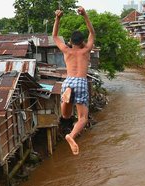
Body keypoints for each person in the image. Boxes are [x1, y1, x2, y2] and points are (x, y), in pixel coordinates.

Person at [53, 6, 95, 155]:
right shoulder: (86, 50)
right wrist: (85, 14)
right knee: (83, 118)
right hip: (81, 81)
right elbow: (92, 32)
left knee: (65, 116)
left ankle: (66, 99)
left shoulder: (67, 50)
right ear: (82, 41)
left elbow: (55, 36)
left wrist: (57, 18)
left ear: (71, 41)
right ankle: (71, 136)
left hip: (68, 81)